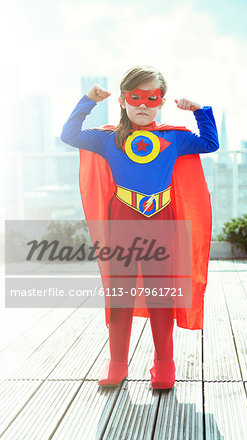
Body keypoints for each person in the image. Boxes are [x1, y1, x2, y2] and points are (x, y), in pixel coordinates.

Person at [61, 65, 219, 390]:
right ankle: (117, 363)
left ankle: (164, 366)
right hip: (122, 220)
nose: (143, 104)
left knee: (161, 297)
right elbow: (69, 135)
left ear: (160, 101)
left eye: (151, 97)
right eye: (136, 97)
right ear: (122, 100)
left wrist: (200, 111)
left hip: (161, 221)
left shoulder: (174, 137)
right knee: (120, 296)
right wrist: (88, 100)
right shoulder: (107, 139)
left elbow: (210, 144)